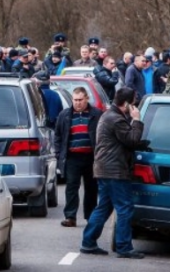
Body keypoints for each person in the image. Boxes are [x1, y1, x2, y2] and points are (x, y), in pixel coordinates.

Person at [80, 87, 149, 258]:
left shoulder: (109, 115)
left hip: (105, 168)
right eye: (133, 104)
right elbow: (132, 140)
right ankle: (124, 247)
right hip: (114, 170)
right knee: (125, 207)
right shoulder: (117, 119)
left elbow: (122, 141)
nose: (135, 107)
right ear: (126, 104)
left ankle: (88, 242)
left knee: (104, 206)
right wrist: (137, 120)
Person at [54, 87, 103, 228]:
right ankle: (70, 217)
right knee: (71, 187)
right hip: (72, 157)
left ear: (87, 99)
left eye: (80, 100)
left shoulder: (96, 114)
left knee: (91, 188)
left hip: (91, 157)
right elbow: (58, 136)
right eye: (75, 100)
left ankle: (90, 216)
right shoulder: (65, 115)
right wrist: (59, 154)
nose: (78, 103)